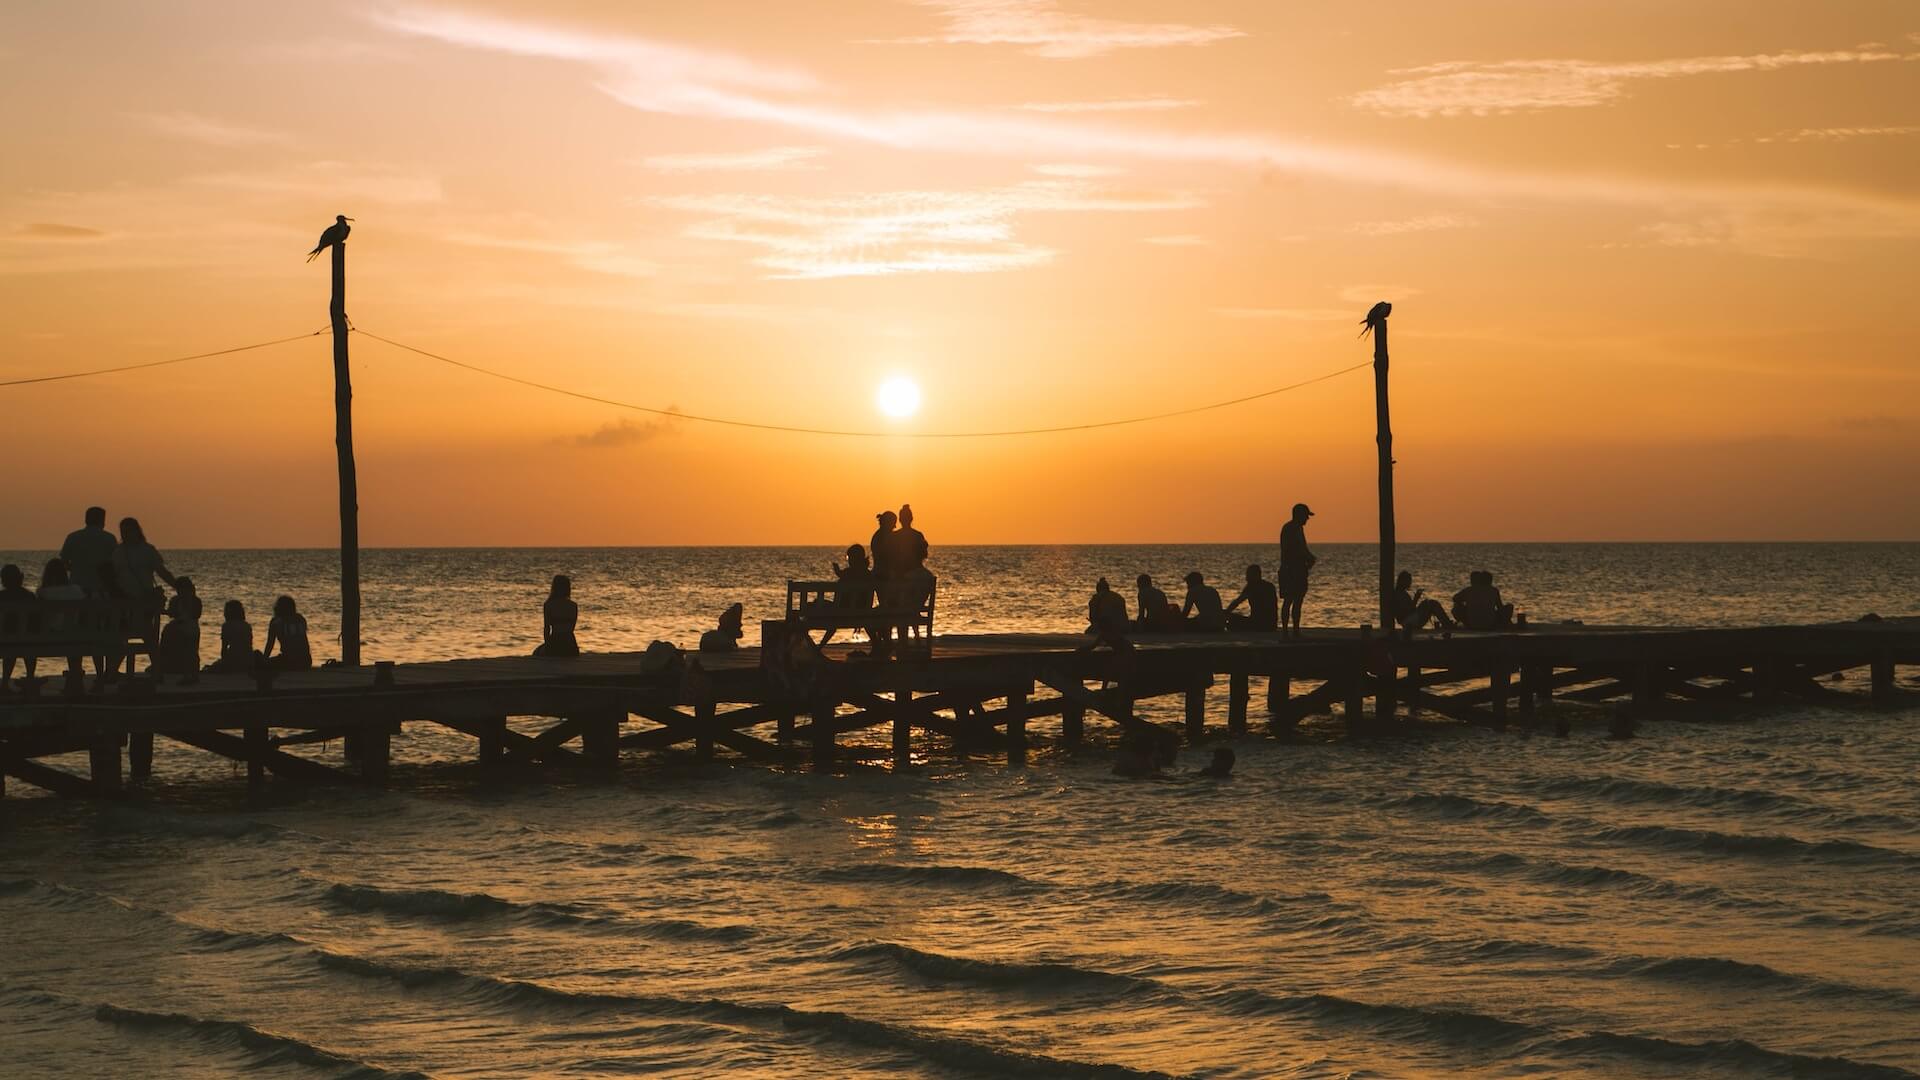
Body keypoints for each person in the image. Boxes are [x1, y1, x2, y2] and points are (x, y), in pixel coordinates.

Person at [37, 559, 86, 680]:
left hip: (49, 637)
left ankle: (29, 676)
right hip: (76, 636)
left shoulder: (43, 593)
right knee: (74, 636)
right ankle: (76, 672)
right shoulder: (76, 590)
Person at [822, 544, 874, 645]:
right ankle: (877, 645)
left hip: (843, 612)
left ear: (853, 559)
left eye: (848, 558)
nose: (848, 560)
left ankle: (820, 645)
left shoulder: (848, 573)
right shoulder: (868, 574)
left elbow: (841, 577)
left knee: (818, 604)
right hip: (863, 612)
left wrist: (837, 572)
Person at [60, 507, 118, 596]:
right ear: (102, 520)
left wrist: (76, 568)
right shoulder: (109, 538)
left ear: (86, 520)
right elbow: (116, 563)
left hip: (77, 586)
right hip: (101, 587)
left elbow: (64, 561)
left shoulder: (73, 537)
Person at [1278, 503, 1316, 639]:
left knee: (1295, 601)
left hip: (1295, 569)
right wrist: (1310, 558)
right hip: (1292, 570)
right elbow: (1299, 549)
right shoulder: (1292, 529)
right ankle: (1288, 631)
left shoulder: (1294, 528)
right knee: (1290, 600)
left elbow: (1301, 549)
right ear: (1299, 515)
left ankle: (1292, 630)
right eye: (1306, 515)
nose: (1307, 518)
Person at [154, 576, 202, 681]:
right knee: (167, 636)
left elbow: (196, 615)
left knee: (191, 651)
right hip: (177, 627)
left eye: (185, 589)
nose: (182, 592)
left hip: (190, 627)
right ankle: (163, 667)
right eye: (180, 589)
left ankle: (192, 674)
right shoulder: (175, 600)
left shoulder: (196, 601)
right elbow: (171, 613)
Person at [0, 564, 38, 688]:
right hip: (29, 639)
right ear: (20, 578)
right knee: (28, 646)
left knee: (10, 648)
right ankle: (30, 677)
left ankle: (5, 682)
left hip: (5, 640)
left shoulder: (2, 597)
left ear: (3, 580)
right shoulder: (30, 596)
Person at [1392, 570, 1455, 639]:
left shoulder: (1401, 593)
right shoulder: (1400, 594)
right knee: (1432, 604)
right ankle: (1447, 624)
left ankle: (1446, 623)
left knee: (1430, 603)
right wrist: (1416, 598)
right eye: (1408, 580)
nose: (1410, 583)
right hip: (1409, 621)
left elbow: (1409, 609)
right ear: (1403, 581)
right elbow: (1408, 611)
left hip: (1408, 620)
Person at [258, 595, 313, 671]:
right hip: (306, 661)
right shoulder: (300, 619)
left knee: (257, 656)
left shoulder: (276, 622)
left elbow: (270, 644)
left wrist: (264, 661)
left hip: (289, 661)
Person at [1078, 577, 1132, 652]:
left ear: (1097, 589)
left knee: (1088, 631)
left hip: (1110, 629)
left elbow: (1094, 619)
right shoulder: (1119, 597)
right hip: (1124, 627)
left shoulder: (1095, 599)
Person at [533, 574, 580, 657]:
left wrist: (548, 645)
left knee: (536, 652)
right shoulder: (573, 605)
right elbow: (571, 628)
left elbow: (547, 628)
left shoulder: (548, 604)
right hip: (570, 645)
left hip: (555, 642)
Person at [1225, 564, 1279, 632]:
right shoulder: (1270, 586)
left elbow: (1237, 602)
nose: (1246, 578)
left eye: (1248, 575)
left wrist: (1225, 612)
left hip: (1259, 624)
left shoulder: (1251, 587)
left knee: (1232, 619)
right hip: (1272, 625)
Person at [205, 600, 253, 673]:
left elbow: (224, 647)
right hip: (248, 659)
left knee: (210, 668)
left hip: (233, 658)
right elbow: (249, 645)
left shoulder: (227, 626)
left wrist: (224, 662)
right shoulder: (246, 625)